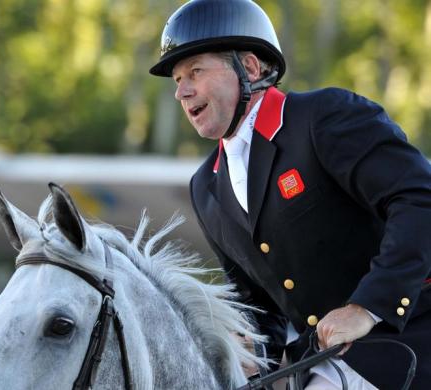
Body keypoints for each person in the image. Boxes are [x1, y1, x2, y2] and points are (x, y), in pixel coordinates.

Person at [149, 1, 431, 389]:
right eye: (177, 79)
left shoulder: (323, 117)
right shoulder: (206, 187)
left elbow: (420, 199)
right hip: (323, 362)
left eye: (195, 71)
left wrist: (367, 308)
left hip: (409, 340)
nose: (182, 92)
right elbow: (256, 305)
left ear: (249, 67)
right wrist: (246, 356)